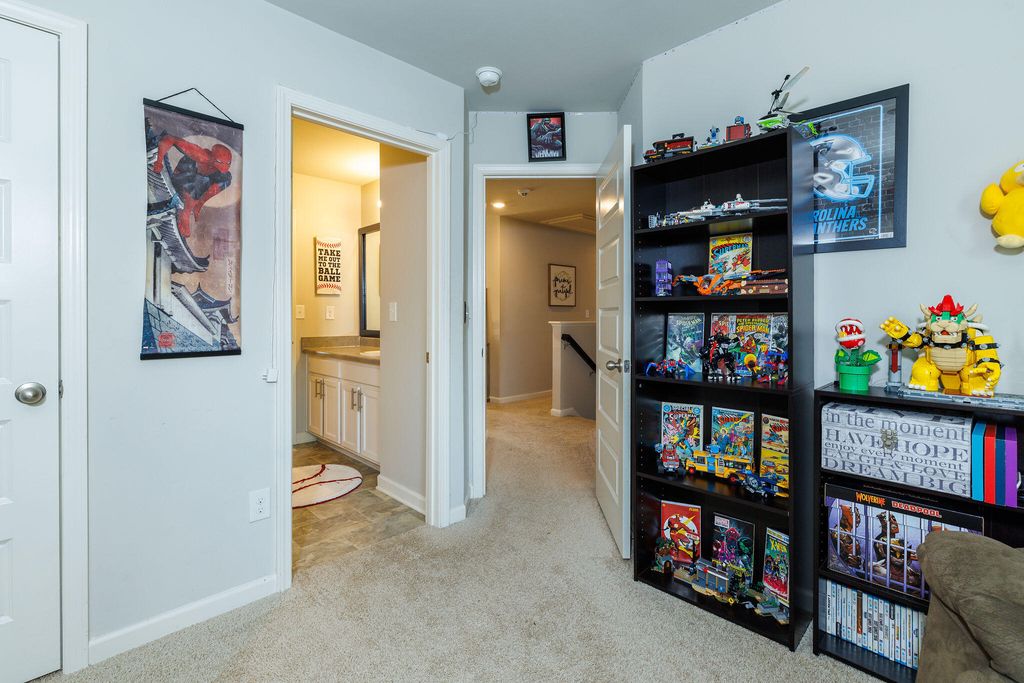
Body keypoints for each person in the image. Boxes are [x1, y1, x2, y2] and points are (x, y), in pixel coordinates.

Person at [152, 134, 233, 238]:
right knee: (202, 180)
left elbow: (221, 178)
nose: (222, 168)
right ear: (213, 158)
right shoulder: (200, 155)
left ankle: (198, 204)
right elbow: (170, 138)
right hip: (181, 178)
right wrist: (159, 161)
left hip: (197, 187)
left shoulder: (221, 172)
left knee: (226, 179)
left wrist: (203, 200)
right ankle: (185, 213)